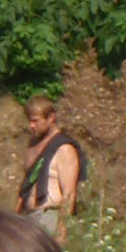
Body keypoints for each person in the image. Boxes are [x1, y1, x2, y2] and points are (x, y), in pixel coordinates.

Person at [17, 97, 86, 242]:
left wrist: (62, 228)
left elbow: (69, 193)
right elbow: (26, 185)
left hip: (49, 215)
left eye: (35, 121)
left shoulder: (64, 148)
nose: (31, 126)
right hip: (28, 217)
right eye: (29, 121)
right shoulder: (33, 144)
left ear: (51, 117)